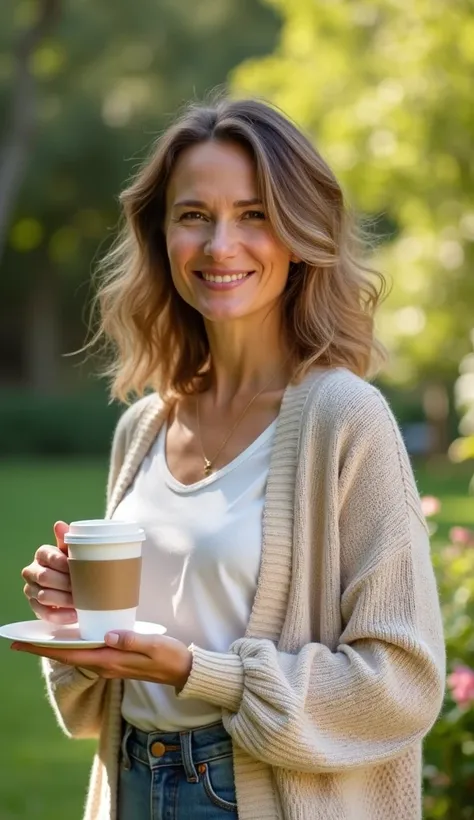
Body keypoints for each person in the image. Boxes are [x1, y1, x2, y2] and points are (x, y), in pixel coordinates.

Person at [18, 96, 445, 820]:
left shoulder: (345, 419)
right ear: (161, 234)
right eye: (194, 215)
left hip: (251, 795)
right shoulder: (146, 427)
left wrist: (198, 672)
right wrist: (73, 620)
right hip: (130, 785)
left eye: (254, 214)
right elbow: (98, 705)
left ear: (300, 235)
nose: (220, 245)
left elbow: (400, 682)